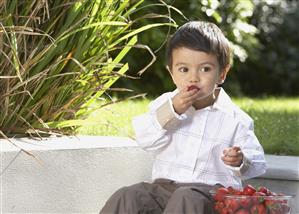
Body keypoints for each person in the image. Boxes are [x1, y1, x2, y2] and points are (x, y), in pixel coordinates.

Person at [100, 20, 267, 214]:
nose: (193, 77)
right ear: (172, 73)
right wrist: (172, 111)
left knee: (186, 197)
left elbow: (257, 164)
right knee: (127, 196)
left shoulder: (236, 119)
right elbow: (145, 139)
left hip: (211, 195)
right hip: (163, 189)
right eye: (184, 69)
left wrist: (240, 160)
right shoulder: (164, 104)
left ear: (222, 73)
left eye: (205, 69)